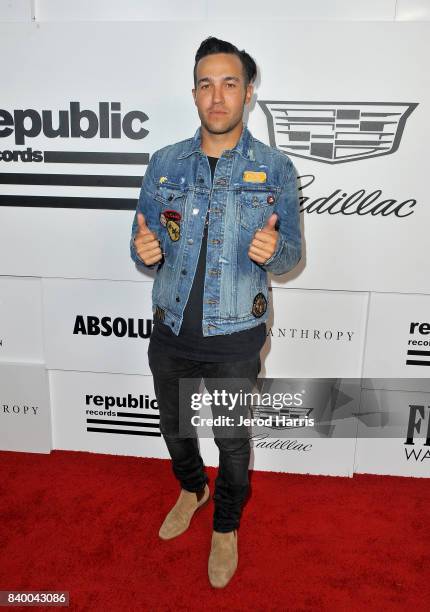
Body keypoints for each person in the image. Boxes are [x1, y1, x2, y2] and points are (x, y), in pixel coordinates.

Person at [130, 36, 302, 588]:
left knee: (231, 440)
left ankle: (225, 524)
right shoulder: (164, 162)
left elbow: (293, 253)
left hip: (235, 334)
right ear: (195, 93)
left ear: (249, 93)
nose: (217, 96)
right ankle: (191, 488)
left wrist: (273, 252)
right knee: (174, 428)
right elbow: (141, 239)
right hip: (172, 325)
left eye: (230, 83)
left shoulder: (275, 167)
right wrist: (143, 251)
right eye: (206, 84)